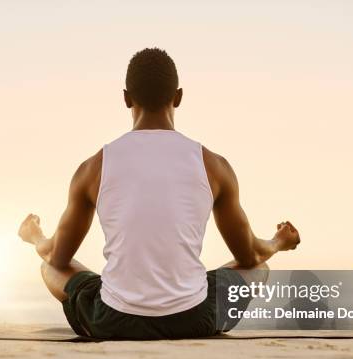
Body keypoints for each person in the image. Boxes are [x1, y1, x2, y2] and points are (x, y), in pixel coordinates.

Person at [18, 48, 300, 339]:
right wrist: (278, 242)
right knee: (260, 269)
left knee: (48, 268)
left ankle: (123, 296)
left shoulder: (92, 168)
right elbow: (250, 256)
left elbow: (57, 258)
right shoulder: (215, 166)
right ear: (178, 97)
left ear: (126, 98)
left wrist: (35, 236)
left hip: (113, 321)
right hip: (193, 320)